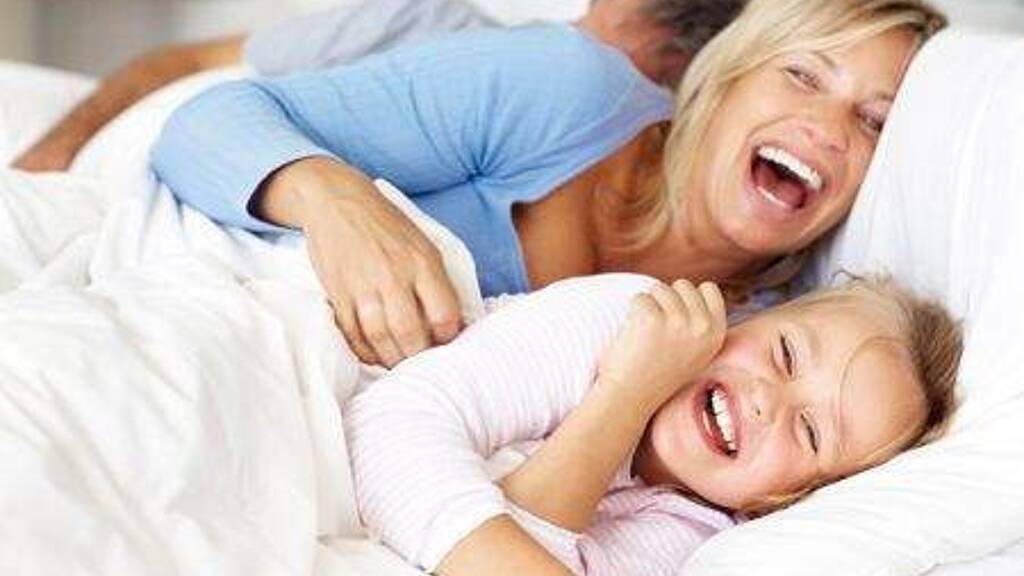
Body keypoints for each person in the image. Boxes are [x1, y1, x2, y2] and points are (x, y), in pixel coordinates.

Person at [150, 0, 946, 368]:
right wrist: (337, 201)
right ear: (723, 79)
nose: (827, 128)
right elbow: (204, 122)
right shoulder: (568, 87)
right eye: (802, 75)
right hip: (196, 312)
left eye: (874, 122)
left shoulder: (765, 338)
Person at [344, 273, 963, 575]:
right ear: (743, 317)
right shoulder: (632, 318)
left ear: (787, 499)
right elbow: (388, 424)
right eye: (785, 354)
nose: (765, 403)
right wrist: (627, 391)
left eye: (810, 433)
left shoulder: (697, 537)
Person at [12, 0, 739, 172]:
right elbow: (183, 64)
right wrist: (48, 160)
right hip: (142, 170)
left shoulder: (653, 172)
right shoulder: (429, 21)